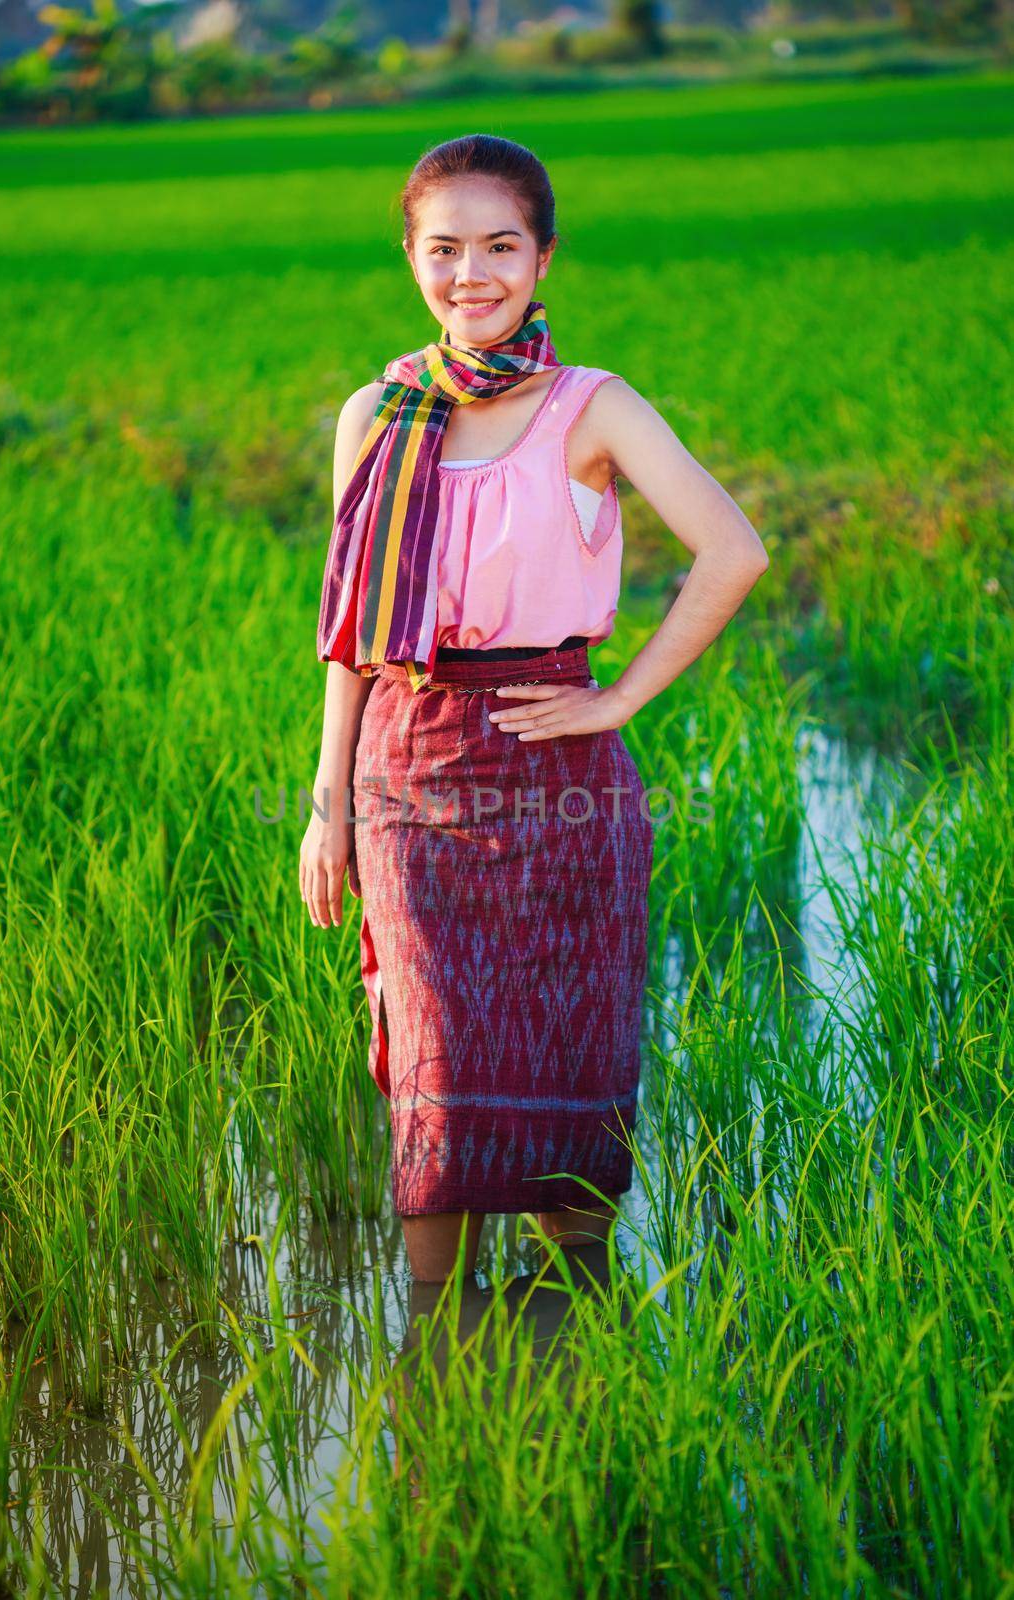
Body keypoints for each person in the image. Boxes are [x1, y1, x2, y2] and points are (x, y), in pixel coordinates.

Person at [301, 133, 768, 1284]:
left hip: (558, 764)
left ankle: (575, 1316)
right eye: (445, 247)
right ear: (411, 257)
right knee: (433, 1061)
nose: (474, 273)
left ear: (543, 258)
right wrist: (325, 808)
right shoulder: (377, 412)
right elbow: (351, 629)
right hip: (406, 765)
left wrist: (615, 700)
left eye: (500, 245)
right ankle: (437, 1345)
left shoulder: (590, 407)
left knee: (571, 1047)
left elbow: (732, 551)